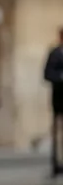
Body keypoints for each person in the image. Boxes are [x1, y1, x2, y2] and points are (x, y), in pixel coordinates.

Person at [43, 27, 63, 177]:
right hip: (59, 99)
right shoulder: (55, 53)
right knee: (58, 132)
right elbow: (47, 74)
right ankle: (57, 164)